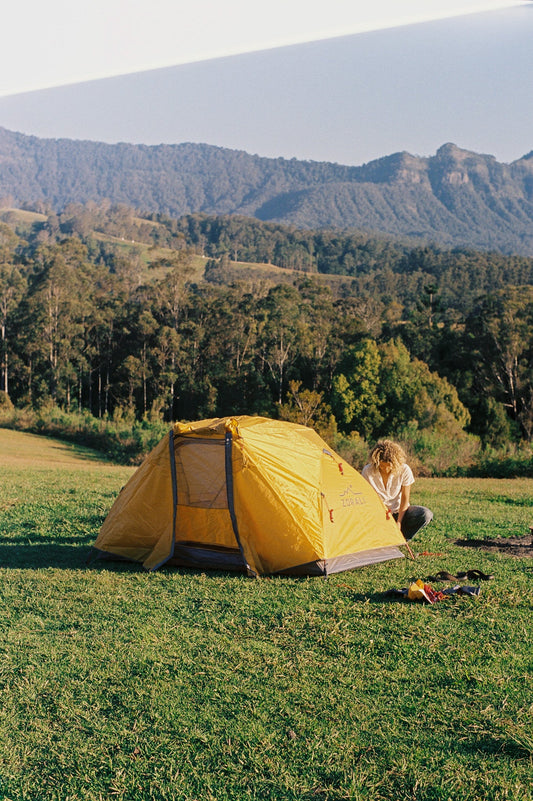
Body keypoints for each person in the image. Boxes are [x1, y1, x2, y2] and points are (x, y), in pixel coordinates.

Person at [361, 439, 433, 541]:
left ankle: (403, 538)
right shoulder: (368, 471)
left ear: (395, 463)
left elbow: (405, 499)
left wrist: (399, 522)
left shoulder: (404, 470)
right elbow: (367, 498)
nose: (385, 469)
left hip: (399, 512)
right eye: (382, 466)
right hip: (378, 514)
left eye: (388, 466)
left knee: (425, 514)